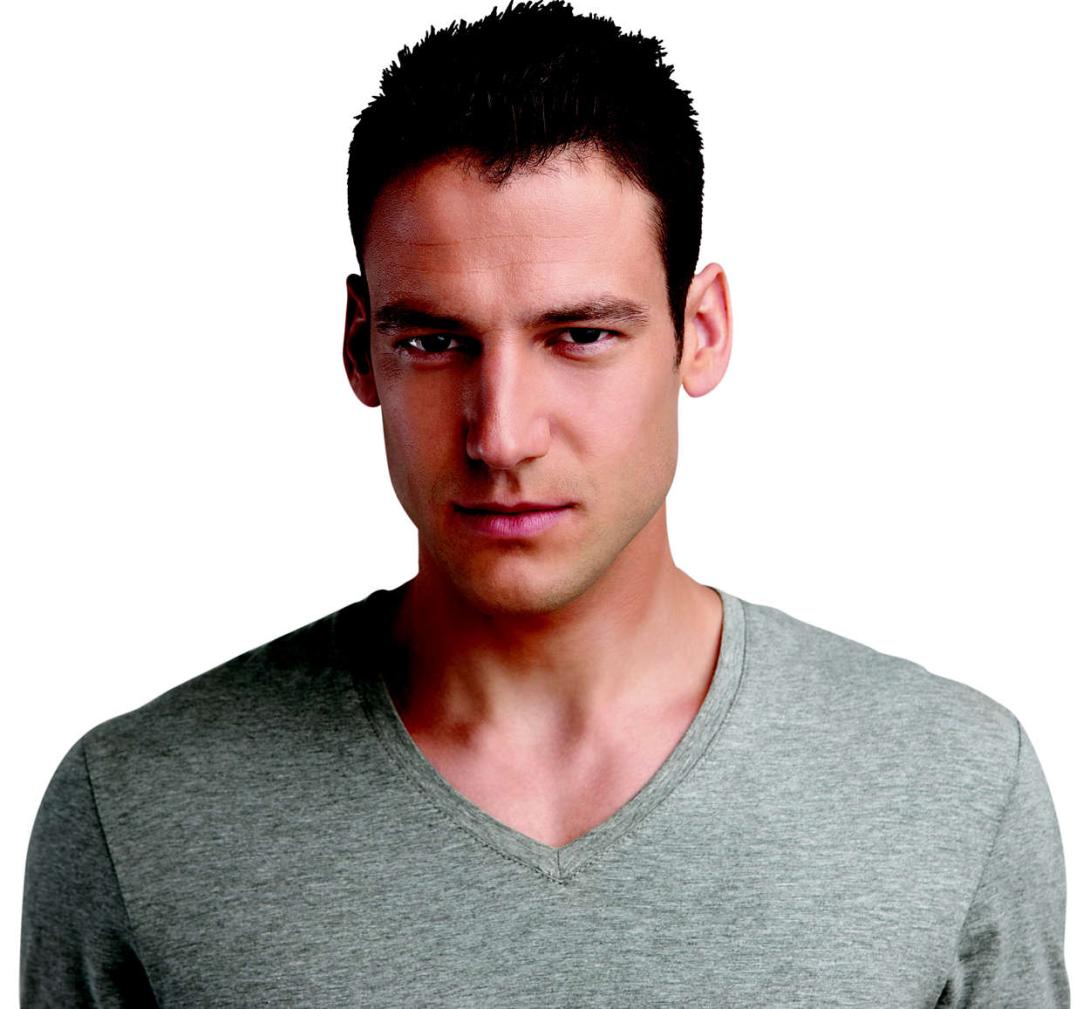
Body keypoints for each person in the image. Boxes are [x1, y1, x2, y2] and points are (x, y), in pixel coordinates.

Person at [20, 2, 1068, 1005]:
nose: (501, 434)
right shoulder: (139, 812)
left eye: (580, 336)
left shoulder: (953, 785)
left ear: (700, 331)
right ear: (359, 346)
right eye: (434, 340)